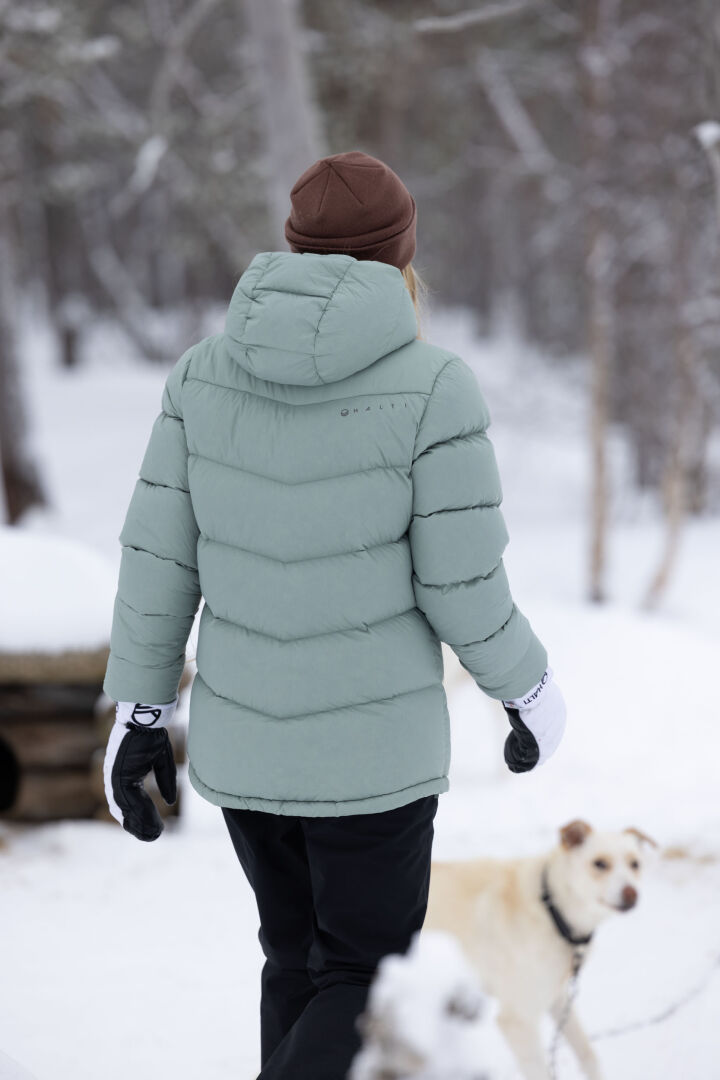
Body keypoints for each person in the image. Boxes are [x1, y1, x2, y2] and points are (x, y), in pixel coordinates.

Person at [101, 150, 567, 1079]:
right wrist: (531, 690)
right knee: (363, 975)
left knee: (298, 965)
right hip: (374, 765)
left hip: (248, 750)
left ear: (294, 244)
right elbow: (461, 582)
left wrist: (140, 714)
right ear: (401, 253)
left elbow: (160, 561)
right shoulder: (434, 387)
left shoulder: (201, 375)